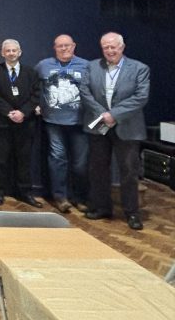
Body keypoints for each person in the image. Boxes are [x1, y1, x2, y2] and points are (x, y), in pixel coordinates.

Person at [80, 32, 150, 231]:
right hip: (100, 124)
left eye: (114, 47)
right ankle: (102, 207)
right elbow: (85, 92)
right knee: (98, 169)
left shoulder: (139, 68)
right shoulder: (92, 66)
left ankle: (132, 213)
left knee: (129, 171)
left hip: (127, 126)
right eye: (106, 48)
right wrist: (103, 114)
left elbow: (140, 97)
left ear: (122, 47)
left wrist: (114, 115)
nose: (110, 51)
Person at [35, 34, 90, 213]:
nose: (64, 49)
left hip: (79, 123)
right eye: (60, 46)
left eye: (67, 45)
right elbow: (33, 86)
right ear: (55, 47)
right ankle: (61, 197)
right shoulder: (43, 66)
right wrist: (37, 104)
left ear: (74, 46)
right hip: (53, 122)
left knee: (80, 164)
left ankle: (80, 198)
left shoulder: (86, 66)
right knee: (57, 160)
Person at [0, 39, 42, 207]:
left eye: (14, 50)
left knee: (24, 160)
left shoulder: (30, 72)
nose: (11, 53)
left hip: (25, 123)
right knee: (1, 160)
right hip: (2, 122)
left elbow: (36, 95)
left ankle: (25, 193)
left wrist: (22, 113)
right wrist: (9, 112)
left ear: (20, 52)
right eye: (8, 51)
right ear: (3, 53)